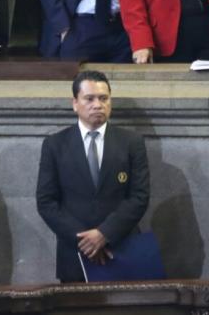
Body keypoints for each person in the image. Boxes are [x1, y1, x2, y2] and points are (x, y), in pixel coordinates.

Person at [36, 70, 150, 282]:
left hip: (121, 247)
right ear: (75, 103)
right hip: (75, 253)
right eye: (89, 99)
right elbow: (46, 202)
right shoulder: (55, 145)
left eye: (103, 98)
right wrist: (86, 240)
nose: (97, 105)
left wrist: (104, 234)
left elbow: (139, 197)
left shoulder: (131, 142)